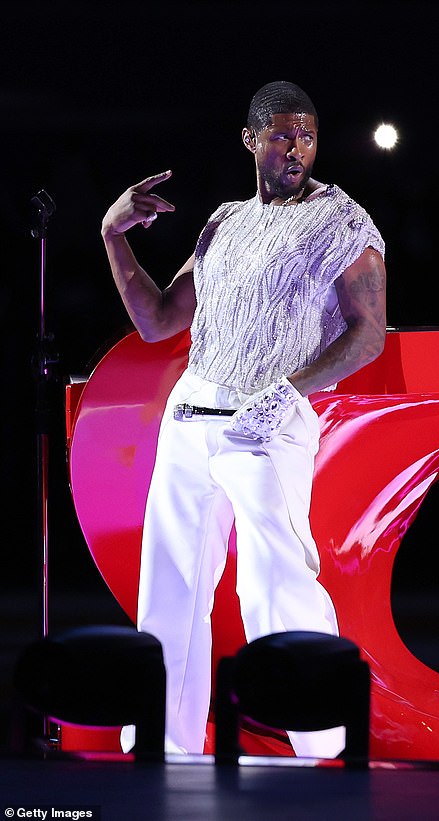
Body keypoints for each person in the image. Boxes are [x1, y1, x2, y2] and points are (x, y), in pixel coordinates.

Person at [100, 80, 386, 757]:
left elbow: (368, 332)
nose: (297, 147)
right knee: (167, 589)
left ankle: (324, 740)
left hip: (266, 422)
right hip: (190, 415)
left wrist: (286, 393)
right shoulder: (224, 221)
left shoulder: (342, 221)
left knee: (275, 580)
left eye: (308, 135)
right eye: (283, 134)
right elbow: (159, 319)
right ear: (251, 139)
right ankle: (162, 740)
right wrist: (113, 237)